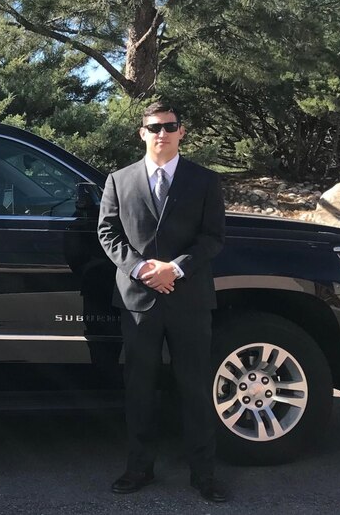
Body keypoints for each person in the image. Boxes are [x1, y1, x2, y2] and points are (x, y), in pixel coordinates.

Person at [96, 101, 227, 503]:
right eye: (154, 127)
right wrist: (140, 270)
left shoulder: (204, 181)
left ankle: (204, 475)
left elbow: (212, 238)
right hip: (138, 301)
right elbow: (108, 232)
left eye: (169, 127)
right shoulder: (119, 180)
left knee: (194, 388)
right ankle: (139, 469)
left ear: (181, 132)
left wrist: (176, 268)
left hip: (189, 299)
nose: (161, 133)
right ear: (142, 132)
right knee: (140, 389)